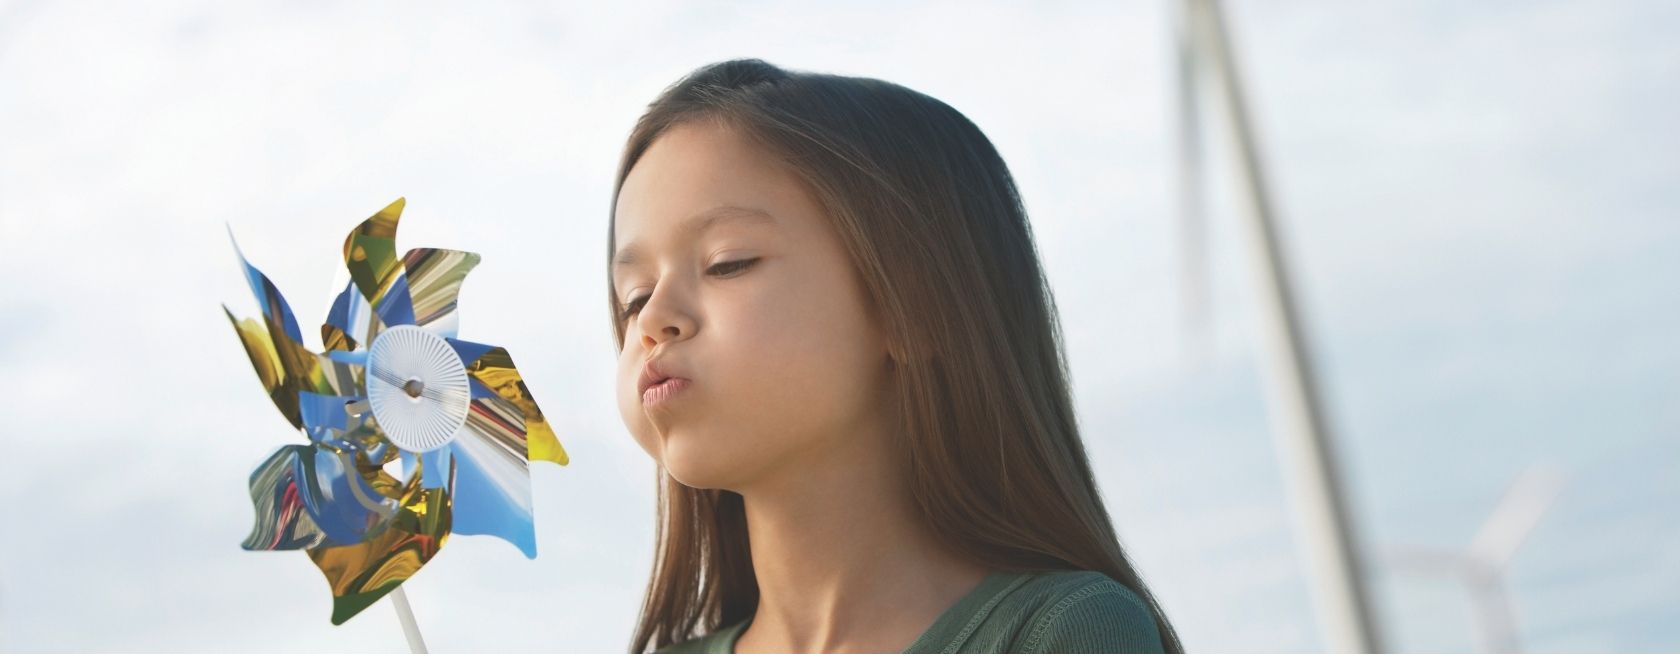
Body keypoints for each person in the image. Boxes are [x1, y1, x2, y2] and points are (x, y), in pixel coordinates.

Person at [608, 58, 1183, 654]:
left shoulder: (1063, 630)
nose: (652, 320)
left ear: (914, 304)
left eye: (728, 262)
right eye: (634, 297)